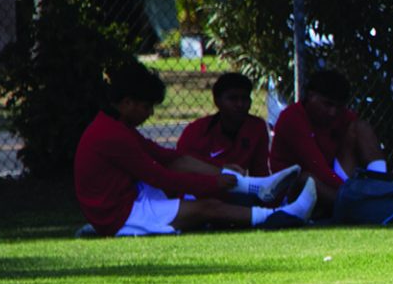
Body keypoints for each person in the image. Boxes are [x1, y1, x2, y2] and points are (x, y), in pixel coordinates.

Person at [75, 63, 316, 237]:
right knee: (208, 207)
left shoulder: (116, 126)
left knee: (191, 181)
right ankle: (279, 216)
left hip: (130, 201)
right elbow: (161, 177)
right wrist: (214, 183)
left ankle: (258, 187)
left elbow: (170, 158)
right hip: (121, 215)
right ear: (127, 103)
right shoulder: (112, 134)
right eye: (146, 106)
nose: (150, 114)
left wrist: (219, 171)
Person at [269, 68, 389, 216]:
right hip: (295, 191)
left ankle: (381, 189)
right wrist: (350, 191)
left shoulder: (341, 117)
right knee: (307, 179)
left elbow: (362, 137)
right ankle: (365, 206)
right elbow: (315, 166)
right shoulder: (292, 118)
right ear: (311, 96)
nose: (333, 112)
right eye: (327, 104)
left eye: (338, 107)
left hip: (332, 186)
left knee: (361, 128)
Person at [176, 72, 270, 176]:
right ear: (217, 101)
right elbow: (181, 168)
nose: (240, 104)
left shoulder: (256, 128)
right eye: (233, 99)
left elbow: (260, 173)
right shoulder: (196, 131)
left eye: (245, 98)